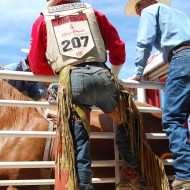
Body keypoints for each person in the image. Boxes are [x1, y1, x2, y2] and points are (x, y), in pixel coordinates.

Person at [28, 0, 160, 189]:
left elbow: (36, 64)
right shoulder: (94, 13)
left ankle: (82, 185)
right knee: (126, 119)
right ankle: (131, 173)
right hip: (102, 76)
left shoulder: (42, 21)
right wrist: (112, 76)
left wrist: (60, 73)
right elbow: (117, 48)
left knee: (78, 142)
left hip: (71, 80)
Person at [125, 0, 190, 189]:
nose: (138, 14)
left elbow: (144, 41)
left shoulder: (149, 11)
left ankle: (185, 174)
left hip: (181, 59)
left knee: (172, 119)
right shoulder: (181, 15)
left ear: (141, 4)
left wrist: (138, 73)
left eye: (137, 9)